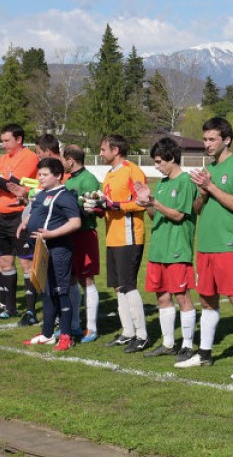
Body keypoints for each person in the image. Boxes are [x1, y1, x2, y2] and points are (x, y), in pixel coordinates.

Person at [177, 117, 233, 380]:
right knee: (206, 300)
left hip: (230, 245)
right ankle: (204, 354)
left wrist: (210, 186)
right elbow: (197, 210)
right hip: (206, 245)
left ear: (227, 140)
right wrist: (202, 193)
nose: (207, 144)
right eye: (205, 139)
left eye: (212, 139)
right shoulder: (208, 168)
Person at [135, 137, 198, 360]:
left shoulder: (186, 182)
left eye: (159, 161)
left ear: (172, 159)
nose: (156, 166)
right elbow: (156, 216)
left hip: (177, 249)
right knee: (162, 297)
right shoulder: (162, 184)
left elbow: (179, 215)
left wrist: (155, 203)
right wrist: (146, 203)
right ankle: (168, 343)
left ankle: (188, 345)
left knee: (182, 297)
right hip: (159, 250)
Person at [22, 157, 80, 351]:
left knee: (61, 291)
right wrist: (24, 223)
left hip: (58, 250)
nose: (40, 177)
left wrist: (51, 234)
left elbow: (75, 222)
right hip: (42, 249)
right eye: (39, 174)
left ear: (58, 175)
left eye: (45, 174)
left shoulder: (65, 196)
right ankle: (47, 334)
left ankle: (66, 335)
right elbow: (34, 213)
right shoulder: (42, 194)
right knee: (46, 291)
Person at [99, 134, 149, 352]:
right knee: (118, 286)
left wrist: (118, 206)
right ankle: (127, 332)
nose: (101, 153)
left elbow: (143, 202)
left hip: (129, 236)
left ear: (116, 150)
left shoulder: (132, 171)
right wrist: (98, 207)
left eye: (103, 149)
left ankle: (142, 335)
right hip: (113, 235)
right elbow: (109, 203)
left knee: (128, 285)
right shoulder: (109, 173)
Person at [0, 124, 39, 323]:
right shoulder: (2, 159)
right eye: (2, 141)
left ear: (19, 139)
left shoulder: (29, 157)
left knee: (26, 263)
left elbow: (12, 185)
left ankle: (31, 311)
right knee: (5, 261)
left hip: (21, 216)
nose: (3, 145)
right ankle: (10, 308)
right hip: (3, 217)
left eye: (6, 140)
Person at [62, 145, 103, 342]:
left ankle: (92, 328)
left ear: (70, 160)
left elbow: (94, 208)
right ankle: (74, 324)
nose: (62, 163)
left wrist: (83, 209)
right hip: (68, 235)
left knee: (87, 279)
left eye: (64, 159)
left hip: (85, 235)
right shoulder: (68, 180)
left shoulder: (89, 180)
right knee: (70, 278)